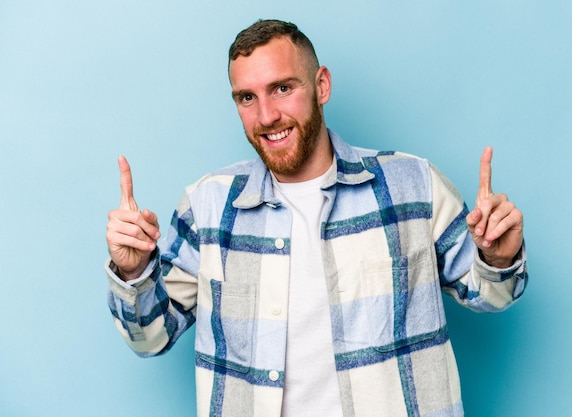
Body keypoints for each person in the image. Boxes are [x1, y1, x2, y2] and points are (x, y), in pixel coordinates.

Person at [105, 19, 527, 417]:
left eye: (282, 88)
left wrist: (499, 259)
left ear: (321, 85)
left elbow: (491, 295)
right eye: (247, 98)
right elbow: (151, 337)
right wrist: (134, 271)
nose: (266, 115)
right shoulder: (208, 207)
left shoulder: (412, 185)